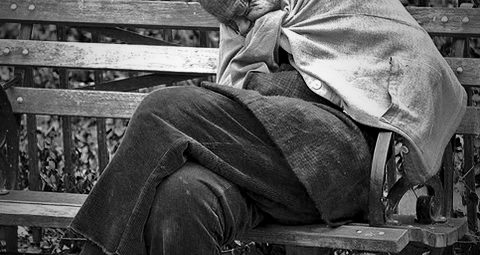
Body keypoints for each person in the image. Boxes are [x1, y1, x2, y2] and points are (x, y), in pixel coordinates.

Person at [73, 0, 467, 254]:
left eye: (249, 4)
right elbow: (233, 97)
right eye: (235, 18)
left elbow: (431, 71)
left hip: (339, 162)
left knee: (163, 107)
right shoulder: (247, 29)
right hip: (266, 176)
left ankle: (90, 249)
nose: (247, 19)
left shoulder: (340, 5)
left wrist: (395, 122)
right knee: (183, 196)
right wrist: (260, 43)